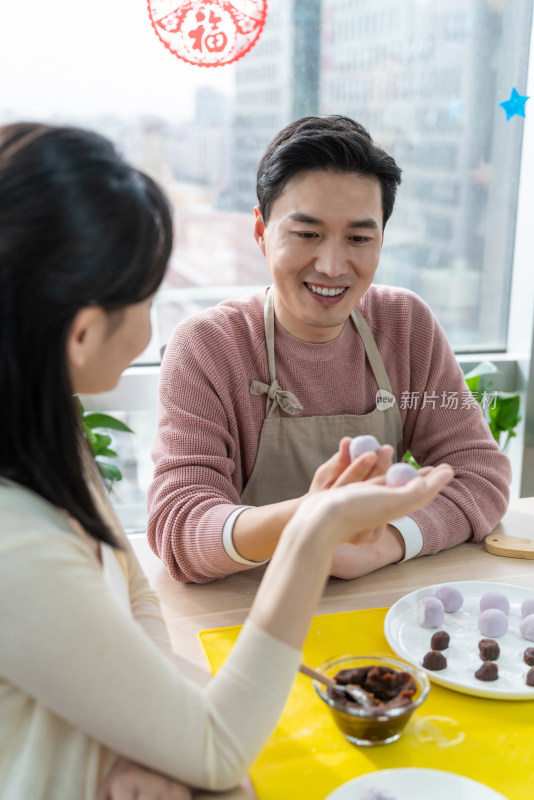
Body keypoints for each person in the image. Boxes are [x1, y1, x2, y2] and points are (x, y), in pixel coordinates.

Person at [0, 121, 453, 800]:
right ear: (83, 331)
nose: (333, 265)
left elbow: (130, 589)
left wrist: (149, 726)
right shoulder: (17, 546)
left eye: (360, 237)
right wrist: (311, 529)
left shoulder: (42, 427)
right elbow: (217, 749)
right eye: (147, 298)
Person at [148, 114, 511, 584]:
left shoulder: (405, 325)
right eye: (307, 234)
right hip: (246, 610)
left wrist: (387, 543)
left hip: (376, 604)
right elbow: (180, 524)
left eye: (359, 238)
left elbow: (479, 471)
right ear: (261, 232)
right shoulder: (209, 346)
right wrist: (314, 520)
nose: (333, 265)